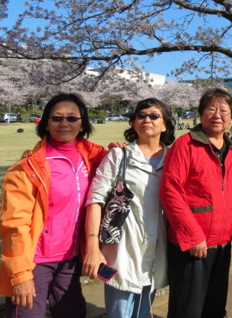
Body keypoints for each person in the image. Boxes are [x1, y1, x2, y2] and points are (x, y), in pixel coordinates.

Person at [0, 93, 107, 317]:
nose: (64, 124)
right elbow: (14, 224)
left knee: (74, 312)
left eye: (72, 118)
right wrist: (21, 275)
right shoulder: (27, 168)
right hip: (35, 262)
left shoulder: (93, 158)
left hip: (70, 260)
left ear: (82, 124)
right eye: (57, 118)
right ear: (46, 123)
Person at [83, 98, 176, 317]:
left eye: (154, 116)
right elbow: (95, 200)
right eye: (141, 115)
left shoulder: (174, 158)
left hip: (157, 248)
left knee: (143, 310)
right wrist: (92, 246)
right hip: (122, 248)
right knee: (120, 311)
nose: (147, 120)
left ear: (165, 125)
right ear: (133, 122)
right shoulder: (119, 155)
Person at [160, 87, 232, 318]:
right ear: (201, 113)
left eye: (224, 111)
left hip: (221, 244)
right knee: (188, 309)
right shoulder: (185, 145)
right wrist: (192, 236)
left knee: (214, 307)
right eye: (211, 109)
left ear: (231, 118)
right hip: (192, 244)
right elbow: (170, 191)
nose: (217, 115)